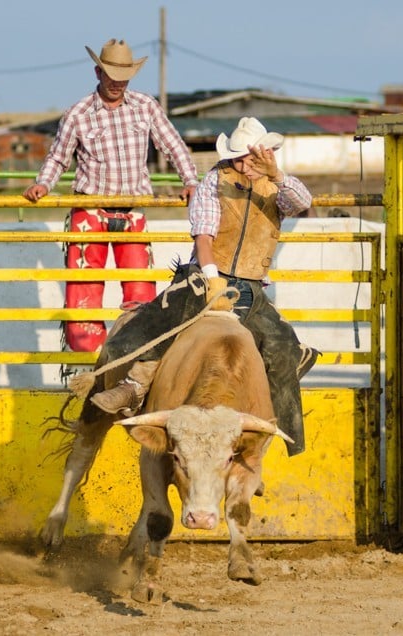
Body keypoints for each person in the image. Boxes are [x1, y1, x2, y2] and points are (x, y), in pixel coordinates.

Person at [92, 117, 318, 457]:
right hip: (207, 276)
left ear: (266, 154)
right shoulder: (214, 181)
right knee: (160, 325)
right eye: (239, 157)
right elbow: (204, 236)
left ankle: (279, 433)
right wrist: (211, 277)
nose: (244, 164)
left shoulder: (277, 187)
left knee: (283, 348)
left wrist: (276, 174)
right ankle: (135, 384)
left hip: (252, 287)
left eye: (251, 157)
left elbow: (302, 202)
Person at [23, 39, 199, 366]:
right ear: (98, 72)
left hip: (132, 210)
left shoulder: (145, 107)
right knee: (83, 294)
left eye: (124, 76)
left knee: (141, 293)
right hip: (90, 209)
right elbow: (58, 157)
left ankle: (136, 363)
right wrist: (43, 184)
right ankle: (86, 365)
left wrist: (190, 181)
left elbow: (174, 146)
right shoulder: (77, 114)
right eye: (111, 75)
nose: (117, 82)